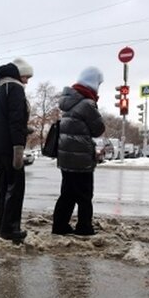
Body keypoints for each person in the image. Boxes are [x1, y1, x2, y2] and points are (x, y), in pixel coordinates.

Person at [51, 67, 106, 236]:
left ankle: (59, 226)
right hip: (81, 159)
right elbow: (98, 129)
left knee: (67, 194)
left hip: (66, 157)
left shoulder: (69, 102)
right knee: (84, 195)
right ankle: (84, 227)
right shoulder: (87, 104)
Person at [0, 58, 33, 242]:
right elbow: (15, 120)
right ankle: (10, 228)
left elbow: (3, 121)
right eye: (26, 76)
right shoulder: (15, 89)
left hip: (0, 147)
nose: (27, 81)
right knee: (15, 188)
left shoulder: (1, 90)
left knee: (2, 188)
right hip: (10, 148)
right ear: (18, 74)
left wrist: (23, 128)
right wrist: (18, 149)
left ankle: (1, 227)